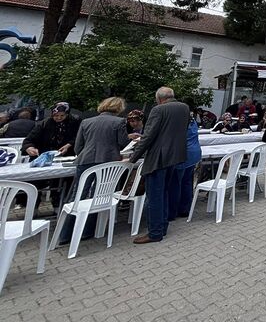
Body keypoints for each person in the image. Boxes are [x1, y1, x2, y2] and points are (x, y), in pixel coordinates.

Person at [58, 97, 129, 244]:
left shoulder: (86, 121)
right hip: (107, 161)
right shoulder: (119, 122)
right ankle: (87, 230)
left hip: (85, 160)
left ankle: (65, 234)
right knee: (99, 195)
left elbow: (78, 146)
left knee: (77, 195)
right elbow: (123, 143)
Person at [128, 87, 190, 245]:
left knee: (155, 196)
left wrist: (133, 157)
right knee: (164, 192)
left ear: (159, 98)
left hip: (159, 158)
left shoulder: (158, 110)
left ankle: (155, 233)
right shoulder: (184, 107)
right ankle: (162, 227)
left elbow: (148, 136)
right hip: (175, 156)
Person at [21, 102, 81, 211]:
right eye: (56, 116)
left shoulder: (74, 123)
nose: (58, 118)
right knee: (35, 182)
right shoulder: (44, 124)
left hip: (65, 157)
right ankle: (32, 208)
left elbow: (78, 137)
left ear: (67, 114)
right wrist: (29, 148)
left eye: (62, 116)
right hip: (44, 156)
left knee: (65, 181)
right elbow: (28, 141)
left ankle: (60, 206)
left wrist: (69, 145)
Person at [169, 110, 202, 220]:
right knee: (187, 182)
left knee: (175, 184)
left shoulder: (181, 125)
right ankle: (185, 209)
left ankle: (171, 213)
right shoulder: (193, 122)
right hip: (194, 154)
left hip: (183, 156)